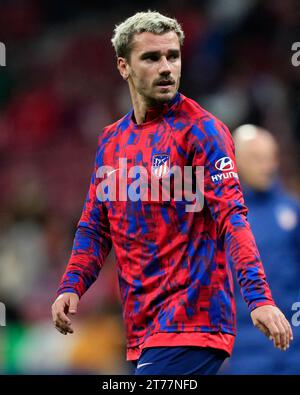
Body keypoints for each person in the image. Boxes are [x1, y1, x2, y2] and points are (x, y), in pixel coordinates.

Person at [51, 11, 293, 375]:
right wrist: (72, 284)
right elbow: (95, 227)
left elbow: (233, 217)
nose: (166, 67)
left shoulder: (203, 131)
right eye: (151, 57)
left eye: (173, 56)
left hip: (193, 322)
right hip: (141, 327)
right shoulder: (111, 142)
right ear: (123, 66)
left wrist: (259, 298)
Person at [221, 125, 300, 374]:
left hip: (295, 345)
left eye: (270, 157)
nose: (267, 166)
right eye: (257, 158)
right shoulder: (223, 218)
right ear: (237, 162)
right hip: (245, 349)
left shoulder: (292, 212)